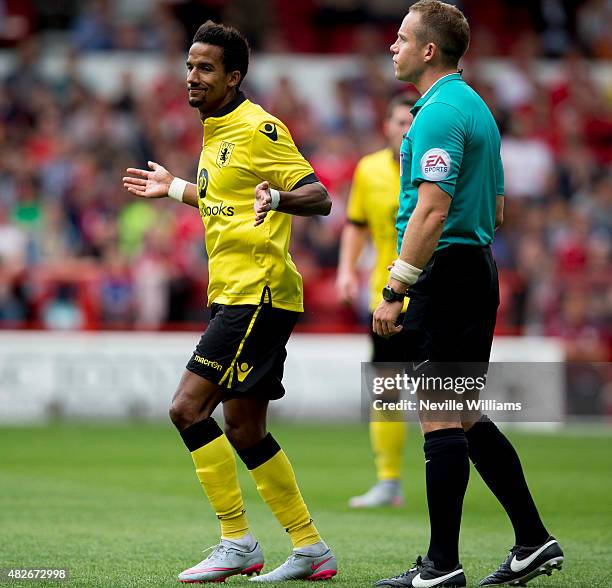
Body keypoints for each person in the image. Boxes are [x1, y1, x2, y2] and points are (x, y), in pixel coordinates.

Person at [122, 21, 337, 584]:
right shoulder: (215, 130)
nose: (192, 77)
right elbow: (225, 201)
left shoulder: (258, 127)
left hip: (257, 294)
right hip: (235, 295)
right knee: (244, 429)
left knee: (187, 409)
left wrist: (282, 196)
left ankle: (236, 538)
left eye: (205, 68)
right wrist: (173, 189)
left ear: (233, 76)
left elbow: (320, 197)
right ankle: (310, 547)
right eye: (190, 66)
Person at [372, 2, 564, 587]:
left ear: (430, 50)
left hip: (446, 272)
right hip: (475, 268)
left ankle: (440, 566)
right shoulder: (477, 109)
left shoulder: (433, 115)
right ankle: (532, 541)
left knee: (438, 417)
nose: (392, 46)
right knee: (463, 412)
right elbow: (498, 208)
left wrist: (396, 287)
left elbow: (431, 208)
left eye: (402, 38)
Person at [336, 94, 415, 508]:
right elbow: (356, 223)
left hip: (430, 297)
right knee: (386, 391)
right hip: (385, 299)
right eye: (399, 122)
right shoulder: (368, 170)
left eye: (412, 123)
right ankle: (388, 481)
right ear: (386, 125)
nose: (406, 130)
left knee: (448, 395)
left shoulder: (433, 168)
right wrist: (346, 269)